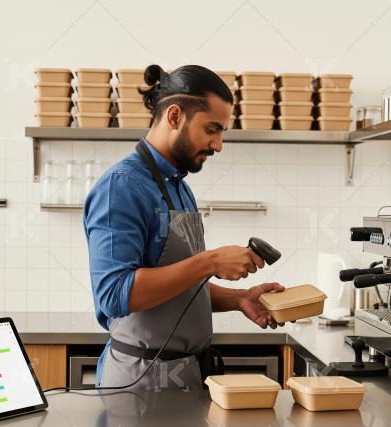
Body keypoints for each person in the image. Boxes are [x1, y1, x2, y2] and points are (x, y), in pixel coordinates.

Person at [83, 64, 285, 391]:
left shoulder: (177, 185)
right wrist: (211, 261)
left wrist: (240, 298)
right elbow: (114, 293)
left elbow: (178, 288)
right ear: (175, 117)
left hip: (186, 374)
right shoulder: (121, 187)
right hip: (140, 381)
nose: (218, 144)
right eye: (211, 129)